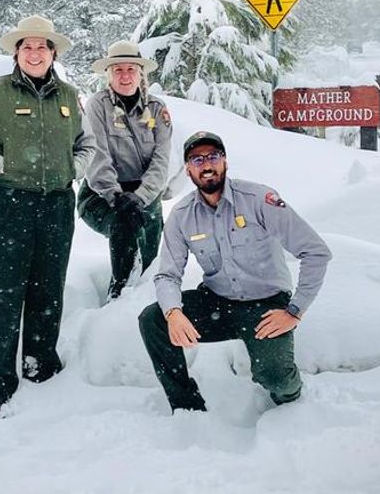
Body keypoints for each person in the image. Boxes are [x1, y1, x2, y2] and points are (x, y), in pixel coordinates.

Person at [0, 15, 96, 416]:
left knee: (47, 287)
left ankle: (41, 368)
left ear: (53, 54)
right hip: (4, 203)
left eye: (42, 47)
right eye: (27, 47)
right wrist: (1, 165)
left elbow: (87, 144)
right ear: (16, 53)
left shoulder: (69, 97)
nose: (34, 54)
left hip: (55, 204)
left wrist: (74, 169)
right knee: (1, 292)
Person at [139, 131, 331, 412]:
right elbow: (167, 274)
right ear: (188, 169)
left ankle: (291, 406)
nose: (206, 165)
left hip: (266, 308)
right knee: (153, 319)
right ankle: (187, 407)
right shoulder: (182, 216)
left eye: (213, 156)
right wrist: (173, 313)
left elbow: (316, 252)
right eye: (196, 159)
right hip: (217, 304)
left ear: (225, 161)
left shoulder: (259, 199)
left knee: (276, 378)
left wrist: (294, 311)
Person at [78, 40, 172, 301]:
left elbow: (161, 160)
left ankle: (144, 309)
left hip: (146, 196)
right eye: (118, 70)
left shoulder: (157, 109)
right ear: (109, 74)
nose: (125, 76)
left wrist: (140, 197)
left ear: (141, 72)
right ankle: (116, 299)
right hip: (102, 194)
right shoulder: (97, 106)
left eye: (131, 69)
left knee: (150, 261)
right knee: (125, 230)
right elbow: (98, 155)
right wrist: (117, 197)